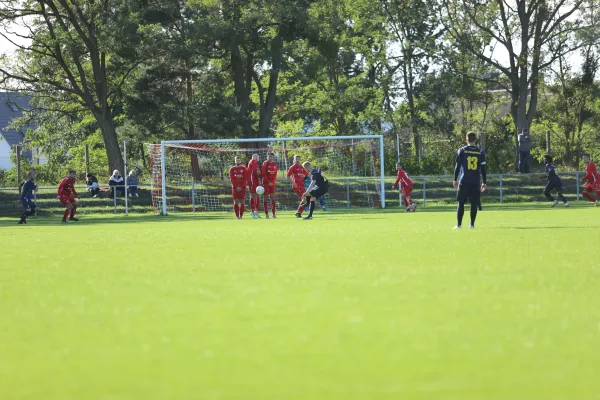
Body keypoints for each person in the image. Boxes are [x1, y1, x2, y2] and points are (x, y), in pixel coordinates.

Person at [453, 131, 487, 229]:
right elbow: (483, 169)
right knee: (474, 203)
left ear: (466, 139)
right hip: (475, 181)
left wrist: (455, 179)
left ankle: (459, 225)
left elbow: (457, 166)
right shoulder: (480, 151)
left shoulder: (462, 150)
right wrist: (484, 182)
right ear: (475, 139)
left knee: (461, 203)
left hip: (464, 180)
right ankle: (472, 225)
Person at [261, 152, 279, 218]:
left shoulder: (274, 163)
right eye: (269, 156)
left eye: (271, 156)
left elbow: (275, 173)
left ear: (273, 157)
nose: (270, 157)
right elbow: (264, 174)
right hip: (266, 183)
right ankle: (266, 214)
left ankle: (273, 214)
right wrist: (268, 182)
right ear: (267, 156)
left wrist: (272, 182)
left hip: (272, 183)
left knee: (272, 197)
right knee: (265, 198)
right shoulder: (265, 163)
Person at [247, 154, 262, 219]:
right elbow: (256, 172)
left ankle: (256, 211)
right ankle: (252, 211)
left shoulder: (255, 163)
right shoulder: (253, 161)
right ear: (255, 157)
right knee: (253, 196)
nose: (259, 158)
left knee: (257, 196)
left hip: (255, 181)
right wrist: (259, 175)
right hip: (252, 181)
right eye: (258, 157)